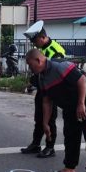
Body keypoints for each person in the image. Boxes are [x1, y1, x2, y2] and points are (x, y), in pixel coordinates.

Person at [25, 49, 86, 172]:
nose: (30, 68)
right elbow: (47, 101)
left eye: (30, 65)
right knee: (70, 136)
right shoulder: (41, 78)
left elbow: (81, 80)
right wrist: (45, 123)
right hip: (69, 107)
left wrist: (81, 104)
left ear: (39, 61)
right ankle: (69, 168)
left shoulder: (60, 67)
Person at [20, 20, 66, 158]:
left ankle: (50, 147)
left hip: (52, 89)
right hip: (41, 88)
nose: (34, 44)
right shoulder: (41, 49)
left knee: (49, 119)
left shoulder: (56, 51)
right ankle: (36, 144)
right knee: (39, 117)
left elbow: (55, 73)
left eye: (35, 41)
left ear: (42, 37)